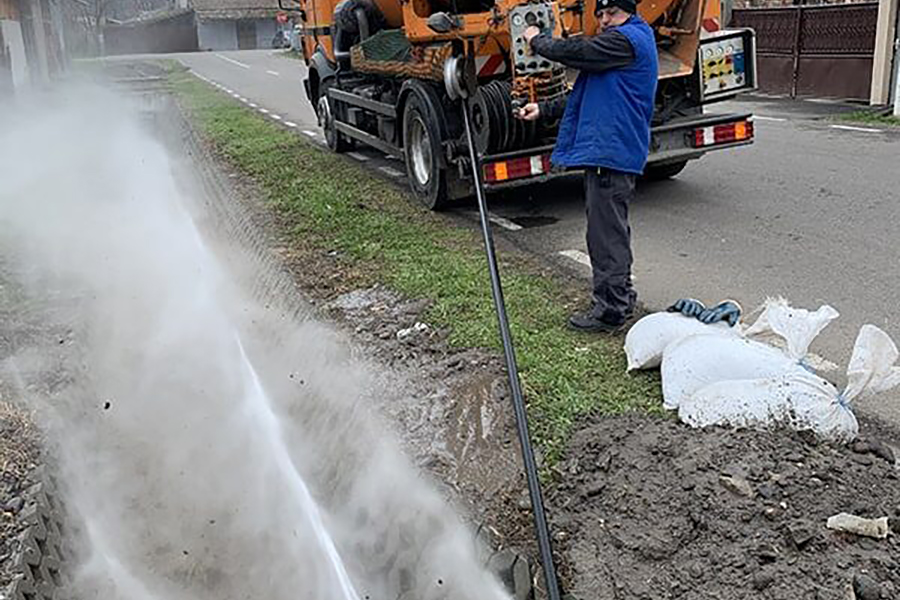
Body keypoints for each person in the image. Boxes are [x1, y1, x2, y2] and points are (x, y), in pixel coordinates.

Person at [517, 0, 658, 333]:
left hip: (612, 152)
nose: (605, 20)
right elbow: (583, 94)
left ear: (629, 13)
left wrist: (537, 39)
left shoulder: (628, 39)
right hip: (609, 152)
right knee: (607, 231)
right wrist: (543, 108)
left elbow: (576, 50)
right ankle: (618, 298)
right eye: (601, 15)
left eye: (612, 13)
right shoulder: (618, 50)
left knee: (605, 235)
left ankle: (611, 309)